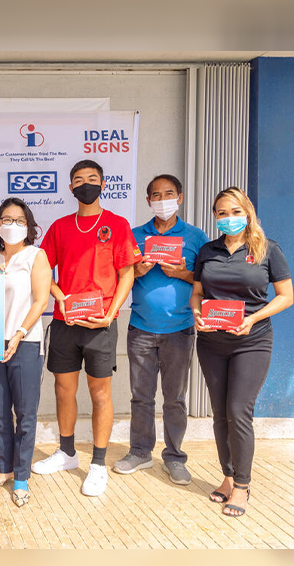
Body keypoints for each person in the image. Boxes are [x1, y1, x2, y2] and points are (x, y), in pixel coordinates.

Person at [32, 159, 142, 497]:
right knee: (63, 389)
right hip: (66, 323)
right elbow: (41, 270)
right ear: (70, 188)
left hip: (100, 323)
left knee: (100, 394)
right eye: (78, 180)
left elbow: (128, 273)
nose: (85, 184)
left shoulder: (117, 224)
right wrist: (59, 296)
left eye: (92, 179)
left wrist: (111, 313)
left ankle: (96, 463)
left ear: (103, 184)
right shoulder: (60, 227)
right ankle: (66, 452)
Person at [192, 187, 291, 518]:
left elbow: (285, 296)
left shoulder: (267, 249)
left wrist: (253, 318)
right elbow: (198, 292)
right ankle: (227, 477)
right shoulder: (208, 250)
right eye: (222, 213)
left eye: (235, 211)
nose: (229, 218)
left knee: (238, 411)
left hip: (252, 340)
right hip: (211, 341)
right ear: (215, 217)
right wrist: (196, 314)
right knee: (219, 413)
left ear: (247, 212)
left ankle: (243, 487)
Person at [113, 175, 210, 485]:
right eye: (157, 195)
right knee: (141, 397)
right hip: (141, 327)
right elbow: (119, 278)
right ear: (148, 201)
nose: (163, 199)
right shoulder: (134, 235)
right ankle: (140, 451)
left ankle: (175, 457)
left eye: (169, 194)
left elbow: (208, 280)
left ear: (179, 198)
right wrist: (136, 271)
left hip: (180, 330)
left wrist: (184, 273)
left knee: (175, 398)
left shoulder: (196, 236)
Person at [0, 198, 51, 507]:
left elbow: (40, 301)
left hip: (26, 343)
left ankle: (21, 476)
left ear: (29, 226)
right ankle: (4, 469)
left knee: (25, 414)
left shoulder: (36, 256)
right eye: (7, 219)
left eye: (20, 220)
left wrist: (20, 334)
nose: (13, 225)